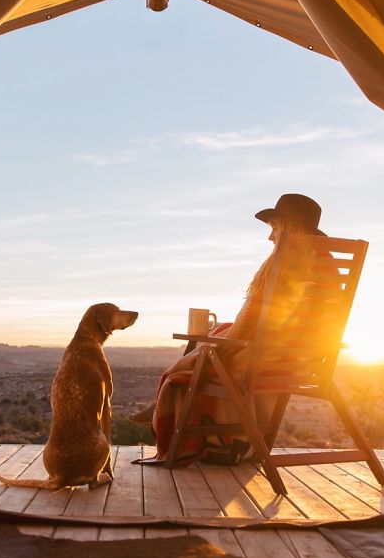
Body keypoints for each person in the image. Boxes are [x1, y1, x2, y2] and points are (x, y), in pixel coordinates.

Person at [133, 193, 326, 465]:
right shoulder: (325, 271)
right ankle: (161, 404)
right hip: (300, 361)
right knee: (215, 336)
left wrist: (214, 347)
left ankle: (161, 412)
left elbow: (246, 326)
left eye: (274, 228)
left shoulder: (278, 270)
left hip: (261, 359)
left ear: (289, 228)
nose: (270, 237)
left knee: (180, 369)